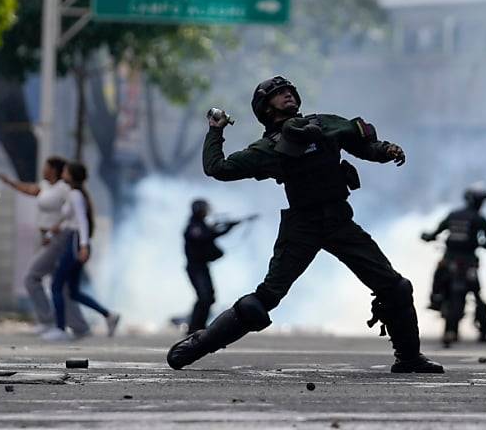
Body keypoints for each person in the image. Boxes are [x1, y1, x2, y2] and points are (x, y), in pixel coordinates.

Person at [166, 76, 442, 373]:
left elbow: (362, 144)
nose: (287, 96)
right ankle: (199, 344)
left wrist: (386, 150)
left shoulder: (324, 124)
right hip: (302, 227)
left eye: (289, 91)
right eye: (278, 94)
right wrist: (215, 129)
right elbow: (217, 168)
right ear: (265, 108)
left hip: (339, 221)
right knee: (263, 301)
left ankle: (409, 359)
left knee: (396, 287)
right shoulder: (267, 148)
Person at [0, 157, 90, 337]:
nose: (43, 170)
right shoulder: (47, 187)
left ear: (55, 170)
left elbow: (76, 218)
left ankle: (52, 322)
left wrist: (81, 244)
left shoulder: (66, 190)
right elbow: (30, 190)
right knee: (61, 286)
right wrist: (9, 182)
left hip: (60, 240)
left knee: (34, 277)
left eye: (46, 167)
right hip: (50, 238)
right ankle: (77, 326)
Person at [44, 162, 120, 341]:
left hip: (75, 242)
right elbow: (68, 218)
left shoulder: (76, 195)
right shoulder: (75, 194)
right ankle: (109, 316)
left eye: (65, 171)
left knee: (56, 285)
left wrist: (84, 246)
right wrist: (52, 231)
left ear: (71, 175)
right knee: (73, 291)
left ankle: (60, 328)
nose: (62, 172)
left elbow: (82, 221)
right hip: (75, 240)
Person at [421, 187, 486, 346]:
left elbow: (434, 233)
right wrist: (483, 244)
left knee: (438, 277)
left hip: (449, 259)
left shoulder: (453, 215)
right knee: (477, 294)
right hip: (469, 262)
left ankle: (436, 299)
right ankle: (485, 330)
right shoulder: (480, 219)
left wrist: (428, 237)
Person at [183, 199, 253, 334]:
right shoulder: (194, 227)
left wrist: (229, 227)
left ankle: (199, 326)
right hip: (195, 267)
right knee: (204, 297)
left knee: (209, 297)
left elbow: (211, 234)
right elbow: (206, 236)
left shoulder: (200, 225)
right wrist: (225, 227)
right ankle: (194, 327)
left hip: (201, 267)